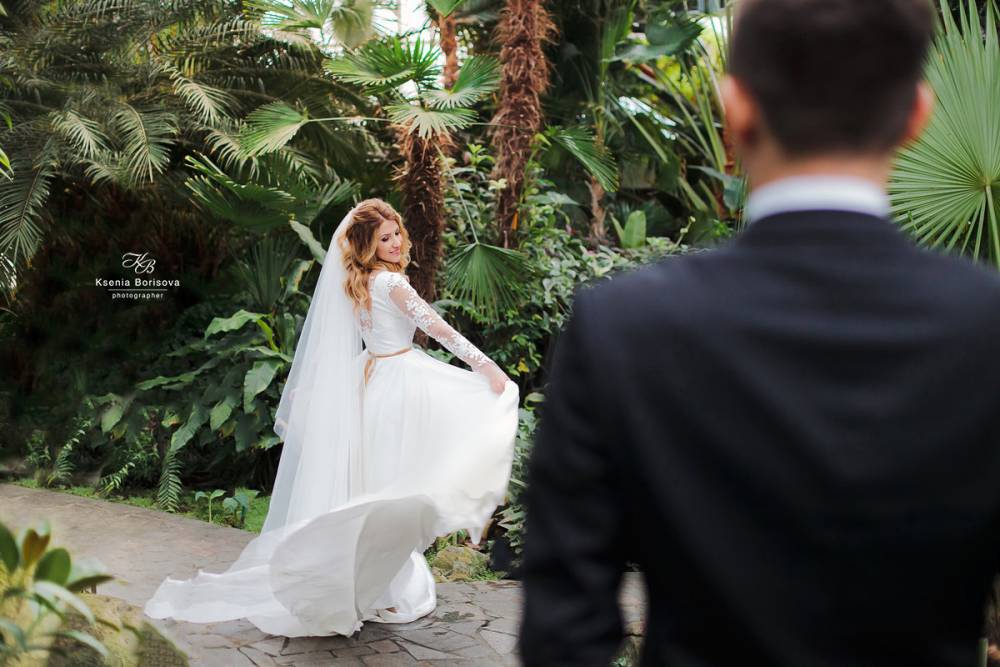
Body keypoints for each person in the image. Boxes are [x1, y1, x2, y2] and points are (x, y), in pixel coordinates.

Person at [519, 0, 1000, 665]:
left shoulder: (622, 327)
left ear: (735, 108)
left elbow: (562, 636)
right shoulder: (985, 326)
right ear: (917, 115)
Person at [144, 198, 518, 636]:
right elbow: (438, 328)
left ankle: (377, 584)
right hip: (397, 385)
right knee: (397, 488)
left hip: (372, 381)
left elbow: (351, 342)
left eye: (396, 233)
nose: (396, 243)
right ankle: (381, 586)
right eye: (384, 238)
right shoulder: (391, 284)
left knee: (376, 488)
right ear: (367, 245)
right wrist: (486, 367)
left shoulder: (359, 283)